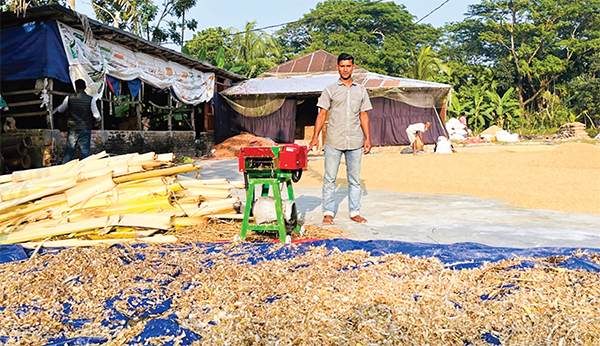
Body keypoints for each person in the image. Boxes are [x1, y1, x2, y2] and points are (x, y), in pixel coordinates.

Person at [309, 53, 372, 225]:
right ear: (337, 68)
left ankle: (355, 212)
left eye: (348, 66)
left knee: (354, 179)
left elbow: (364, 115)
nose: (345, 69)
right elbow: (322, 114)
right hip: (334, 141)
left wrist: (368, 138)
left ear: (353, 67)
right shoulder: (330, 89)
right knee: (330, 178)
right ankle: (328, 212)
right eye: (342, 66)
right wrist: (315, 137)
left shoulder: (361, 90)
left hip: (355, 141)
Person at [54, 79, 101, 164]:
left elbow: (60, 110)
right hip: (85, 128)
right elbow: (97, 115)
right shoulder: (91, 99)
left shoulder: (69, 98)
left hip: (73, 128)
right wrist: (97, 121)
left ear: (76, 87)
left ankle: (63, 168)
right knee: (85, 152)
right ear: (85, 88)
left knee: (69, 150)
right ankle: (83, 171)